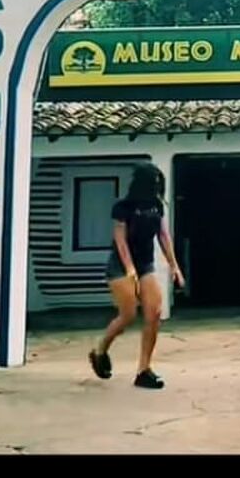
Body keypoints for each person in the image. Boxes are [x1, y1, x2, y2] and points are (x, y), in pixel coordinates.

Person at [88, 164, 184, 389]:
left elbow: (163, 236)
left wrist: (174, 266)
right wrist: (130, 269)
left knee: (154, 312)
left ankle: (144, 370)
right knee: (128, 314)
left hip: (145, 264)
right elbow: (120, 240)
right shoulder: (123, 207)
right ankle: (100, 351)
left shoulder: (156, 206)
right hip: (120, 265)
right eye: (154, 183)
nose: (158, 187)